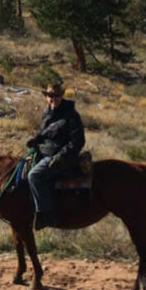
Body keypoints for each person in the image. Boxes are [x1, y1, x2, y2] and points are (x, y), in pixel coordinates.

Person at [25, 82, 85, 230]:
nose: (53, 99)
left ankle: (46, 215)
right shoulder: (47, 113)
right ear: (46, 97)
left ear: (62, 96)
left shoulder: (71, 115)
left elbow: (78, 141)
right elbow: (45, 133)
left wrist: (61, 156)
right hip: (45, 152)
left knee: (34, 176)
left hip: (62, 157)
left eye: (56, 96)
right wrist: (36, 140)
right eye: (50, 96)